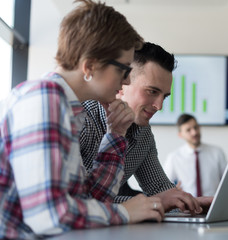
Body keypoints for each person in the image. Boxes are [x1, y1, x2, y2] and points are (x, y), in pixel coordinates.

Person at [0, 1, 165, 239]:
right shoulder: (44, 99)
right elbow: (51, 217)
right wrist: (124, 212)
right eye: (124, 70)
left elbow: (90, 201)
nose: (127, 81)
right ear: (90, 65)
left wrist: (116, 134)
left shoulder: (65, 107)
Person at [80, 42, 209, 214]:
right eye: (152, 91)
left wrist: (190, 203)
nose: (159, 106)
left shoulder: (143, 134)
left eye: (164, 96)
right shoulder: (81, 120)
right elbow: (77, 198)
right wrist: (153, 202)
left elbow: (160, 189)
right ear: (122, 83)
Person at [164, 113, 227, 197]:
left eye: (195, 127)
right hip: (187, 207)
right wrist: (174, 191)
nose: (194, 132)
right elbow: (165, 186)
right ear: (180, 135)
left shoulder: (217, 152)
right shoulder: (174, 157)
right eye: (188, 130)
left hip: (213, 203)